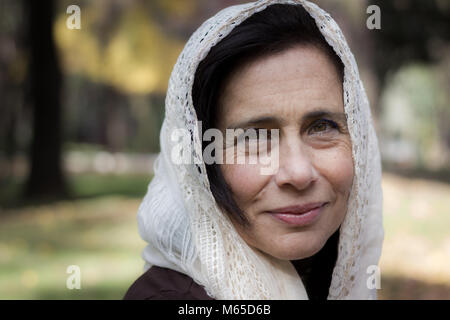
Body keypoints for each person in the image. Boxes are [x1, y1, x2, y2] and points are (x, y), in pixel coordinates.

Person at [124, 0, 383, 300]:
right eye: (255, 137)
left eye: (322, 127)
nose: (298, 173)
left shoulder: (332, 276)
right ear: (201, 163)